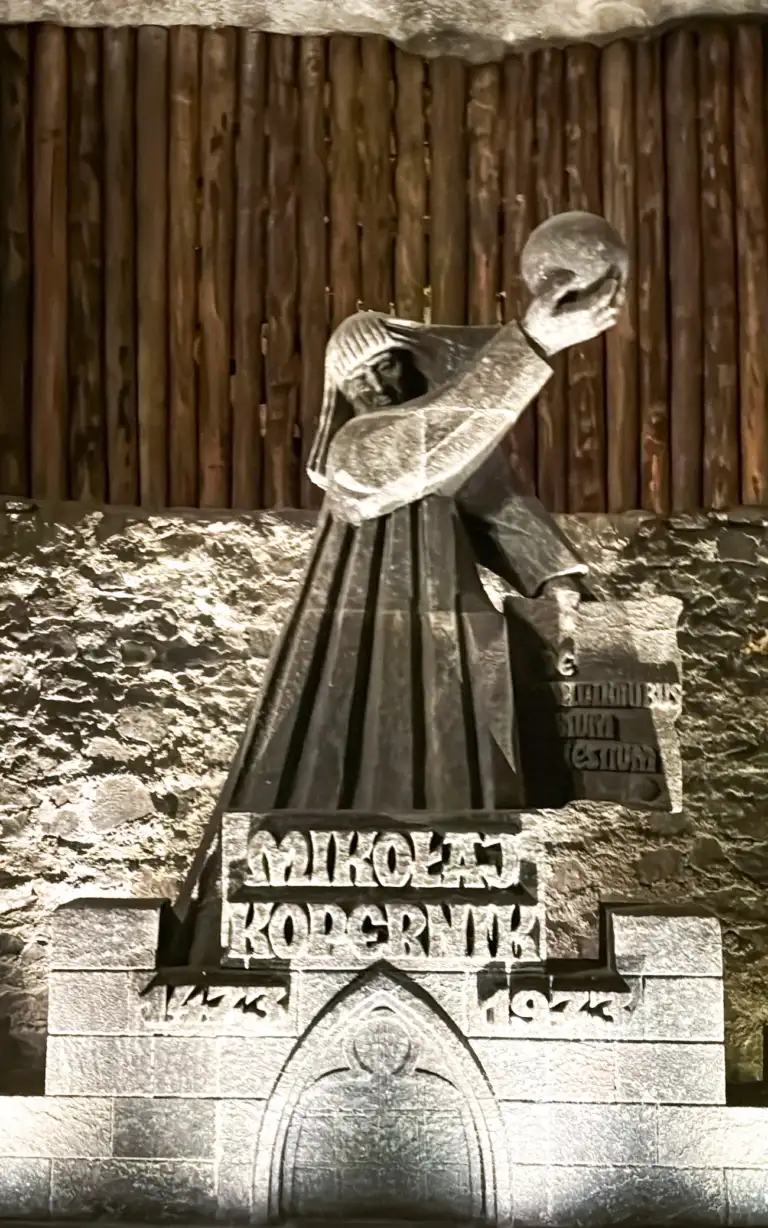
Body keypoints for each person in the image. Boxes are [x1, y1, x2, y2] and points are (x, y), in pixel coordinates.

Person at [224, 212, 628, 817]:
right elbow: (419, 449)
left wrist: (556, 580)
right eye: (359, 378)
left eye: (387, 365)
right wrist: (531, 343)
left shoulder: (445, 448)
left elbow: (495, 498)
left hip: (448, 615)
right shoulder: (355, 448)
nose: (376, 385)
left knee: (463, 736)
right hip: (361, 635)